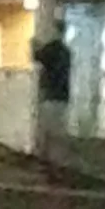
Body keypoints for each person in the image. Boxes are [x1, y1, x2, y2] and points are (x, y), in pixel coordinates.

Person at [32, 14, 74, 146]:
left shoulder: (51, 49)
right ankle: (57, 155)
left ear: (55, 30)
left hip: (49, 95)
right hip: (63, 97)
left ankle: (45, 154)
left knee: (45, 131)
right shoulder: (67, 52)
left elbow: (36, 56)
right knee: (59, 132)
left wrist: (34, 45)